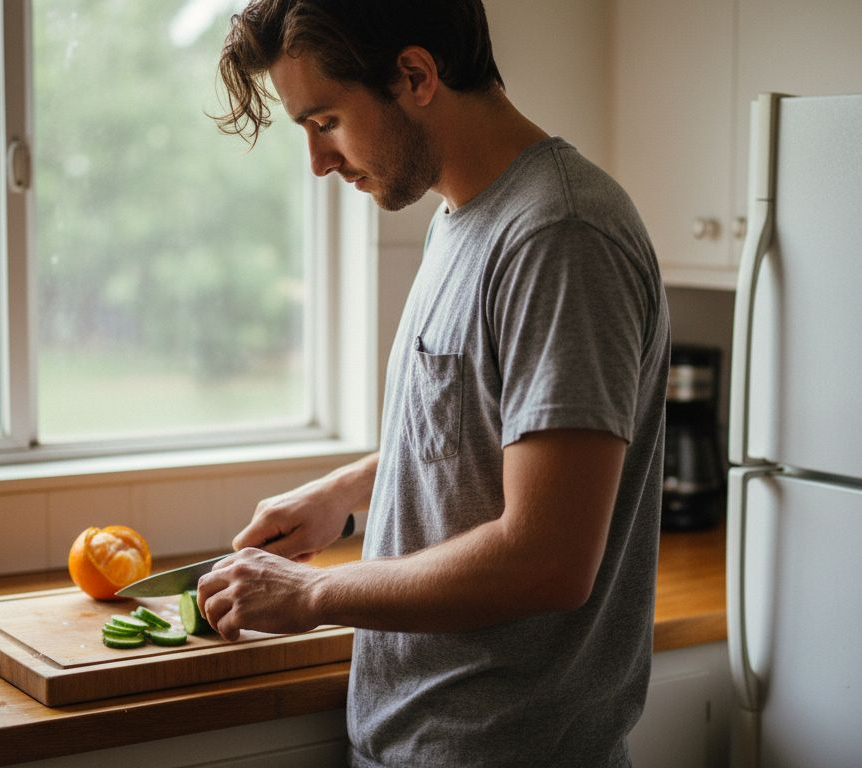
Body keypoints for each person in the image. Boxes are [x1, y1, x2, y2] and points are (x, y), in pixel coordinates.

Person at [199, 1, 670, 765]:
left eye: (324, 122)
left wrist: (311, 594)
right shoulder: (464, 216)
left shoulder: (561, 235)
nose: (318, 162)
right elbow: (490, 433)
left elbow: (547, 556)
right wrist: (344, 496)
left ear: (415, 76)